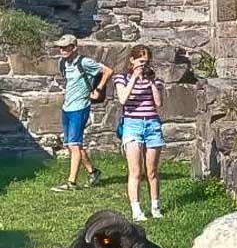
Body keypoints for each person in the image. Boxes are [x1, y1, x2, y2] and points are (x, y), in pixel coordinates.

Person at [52, 34, 112, 193]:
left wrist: (98, 89)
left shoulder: (85, 62)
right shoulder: (62, 63)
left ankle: (71, 182)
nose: (62, 50)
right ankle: (93, 172)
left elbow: (107, 71)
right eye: (60, 47)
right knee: (73, 145)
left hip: (80, 107)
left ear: (74, 47)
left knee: (74, 144)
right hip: (67, 107)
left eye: (65, 47)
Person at [113, 45, 166, 221]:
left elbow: (158, 103)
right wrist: (134, 78)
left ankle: (155, 206)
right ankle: (136, 210)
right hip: (132, 125)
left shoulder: (155, 80)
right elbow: (123, 99)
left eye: (147, 62)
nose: (144, 65)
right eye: (141, 62)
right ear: (132, 60)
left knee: (152, 171)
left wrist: (150, 82)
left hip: (152, 125)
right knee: (135, 171)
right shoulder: (122, 78)